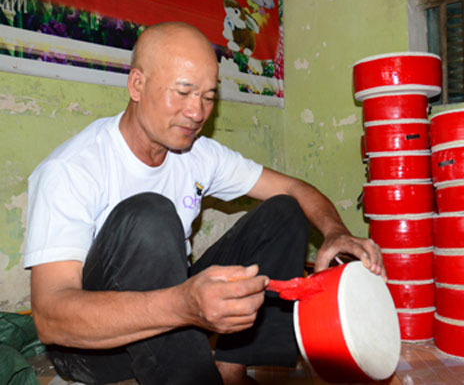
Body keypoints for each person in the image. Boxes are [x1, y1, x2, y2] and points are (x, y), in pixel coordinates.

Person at [24, 22, 385, 385]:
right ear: (137, 85)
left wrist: (336, 232)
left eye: (208, 97)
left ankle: (232, 371)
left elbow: (293, 188)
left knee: (283, 211)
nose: (197, 113)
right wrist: (183, 305)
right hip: (94, 349)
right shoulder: (73, 168)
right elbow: (52, 318)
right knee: (150, 213)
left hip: (171, 306)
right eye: (182, 92)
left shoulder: (197, 154)